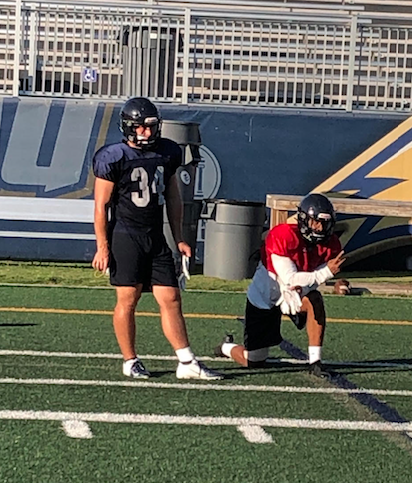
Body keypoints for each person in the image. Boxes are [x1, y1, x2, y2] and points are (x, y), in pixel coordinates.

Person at [92, 97, 222, 380]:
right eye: (141, 128)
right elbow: (101, 205)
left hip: (155, 234)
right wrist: (102, 246)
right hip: (125, 235)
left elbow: (173, 196)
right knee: (128, 298)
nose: (147, 133)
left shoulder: (167, 152)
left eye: (151, 127)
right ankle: (130, 360)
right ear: (129, 127)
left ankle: (187, 362)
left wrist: (179, 239)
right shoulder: (113, 156)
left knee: (171, 297)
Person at [215, 193, 345, 377]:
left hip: (296, 293)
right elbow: (290, 277)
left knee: (315, 299)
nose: (319, 227)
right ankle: (226, 347)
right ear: (303, 219)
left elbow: (309, 279)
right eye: (315, 222)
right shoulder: (283, 235)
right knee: (254, 361)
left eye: (324, 223)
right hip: (266, 295)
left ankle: (315, 361)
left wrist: (305, 288)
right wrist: (326, 273)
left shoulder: (331, 244)